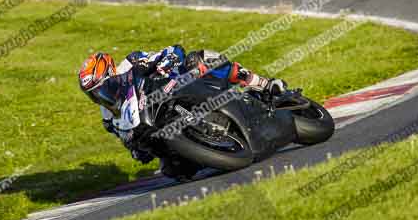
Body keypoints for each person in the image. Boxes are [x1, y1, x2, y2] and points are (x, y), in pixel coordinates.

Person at [78, 47, 285, 178]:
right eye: (93, 94)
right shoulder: (107, 116)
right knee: (173, 172)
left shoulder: (132, 63)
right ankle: (207, 148)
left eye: (101, 89)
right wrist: (137, 150)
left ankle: (263, 84)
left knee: (198, 59)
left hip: (175, 88)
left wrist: (166, 63)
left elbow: (173, 51)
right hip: (158, 123)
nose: (99, 96)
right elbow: (127, 141)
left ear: (111, 72)